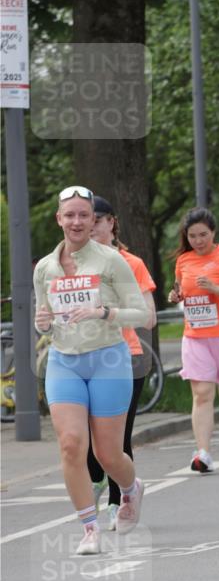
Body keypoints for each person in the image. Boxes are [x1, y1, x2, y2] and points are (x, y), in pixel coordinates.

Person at [33, 185, 149, 555]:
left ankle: (131, 489)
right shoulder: (44, 268)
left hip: (108, 359)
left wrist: (105, 312)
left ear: (94, 220)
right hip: (65, 361)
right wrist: (43, 322)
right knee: (70, 446)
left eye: (85, 215)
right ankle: (89, 527)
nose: (77, 221)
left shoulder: (111, 260)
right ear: (59, 220)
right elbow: (44, 321)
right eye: (70, 215)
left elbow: (142, 314)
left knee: (107, 454)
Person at [86, 196, 157, 530]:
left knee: (116, 437)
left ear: (111, 222)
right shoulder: (76, 264)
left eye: (97, 219)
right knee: (85, 436)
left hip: (125, 356)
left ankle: (119, 500)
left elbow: (150, 318)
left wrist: (109, 312)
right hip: (84, 357)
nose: (91, 225)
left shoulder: (131, 263)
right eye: (86, 219)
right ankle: (98, 478)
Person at [168, 208, 219, 472]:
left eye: (203, 235)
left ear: (213, 233)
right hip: (196, 335)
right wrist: (176, 297)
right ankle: (203, 452)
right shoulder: (184, 261)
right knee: (202, 394)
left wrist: (216, 288)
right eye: (192, 236)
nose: (198, 240)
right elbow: (180, 289)